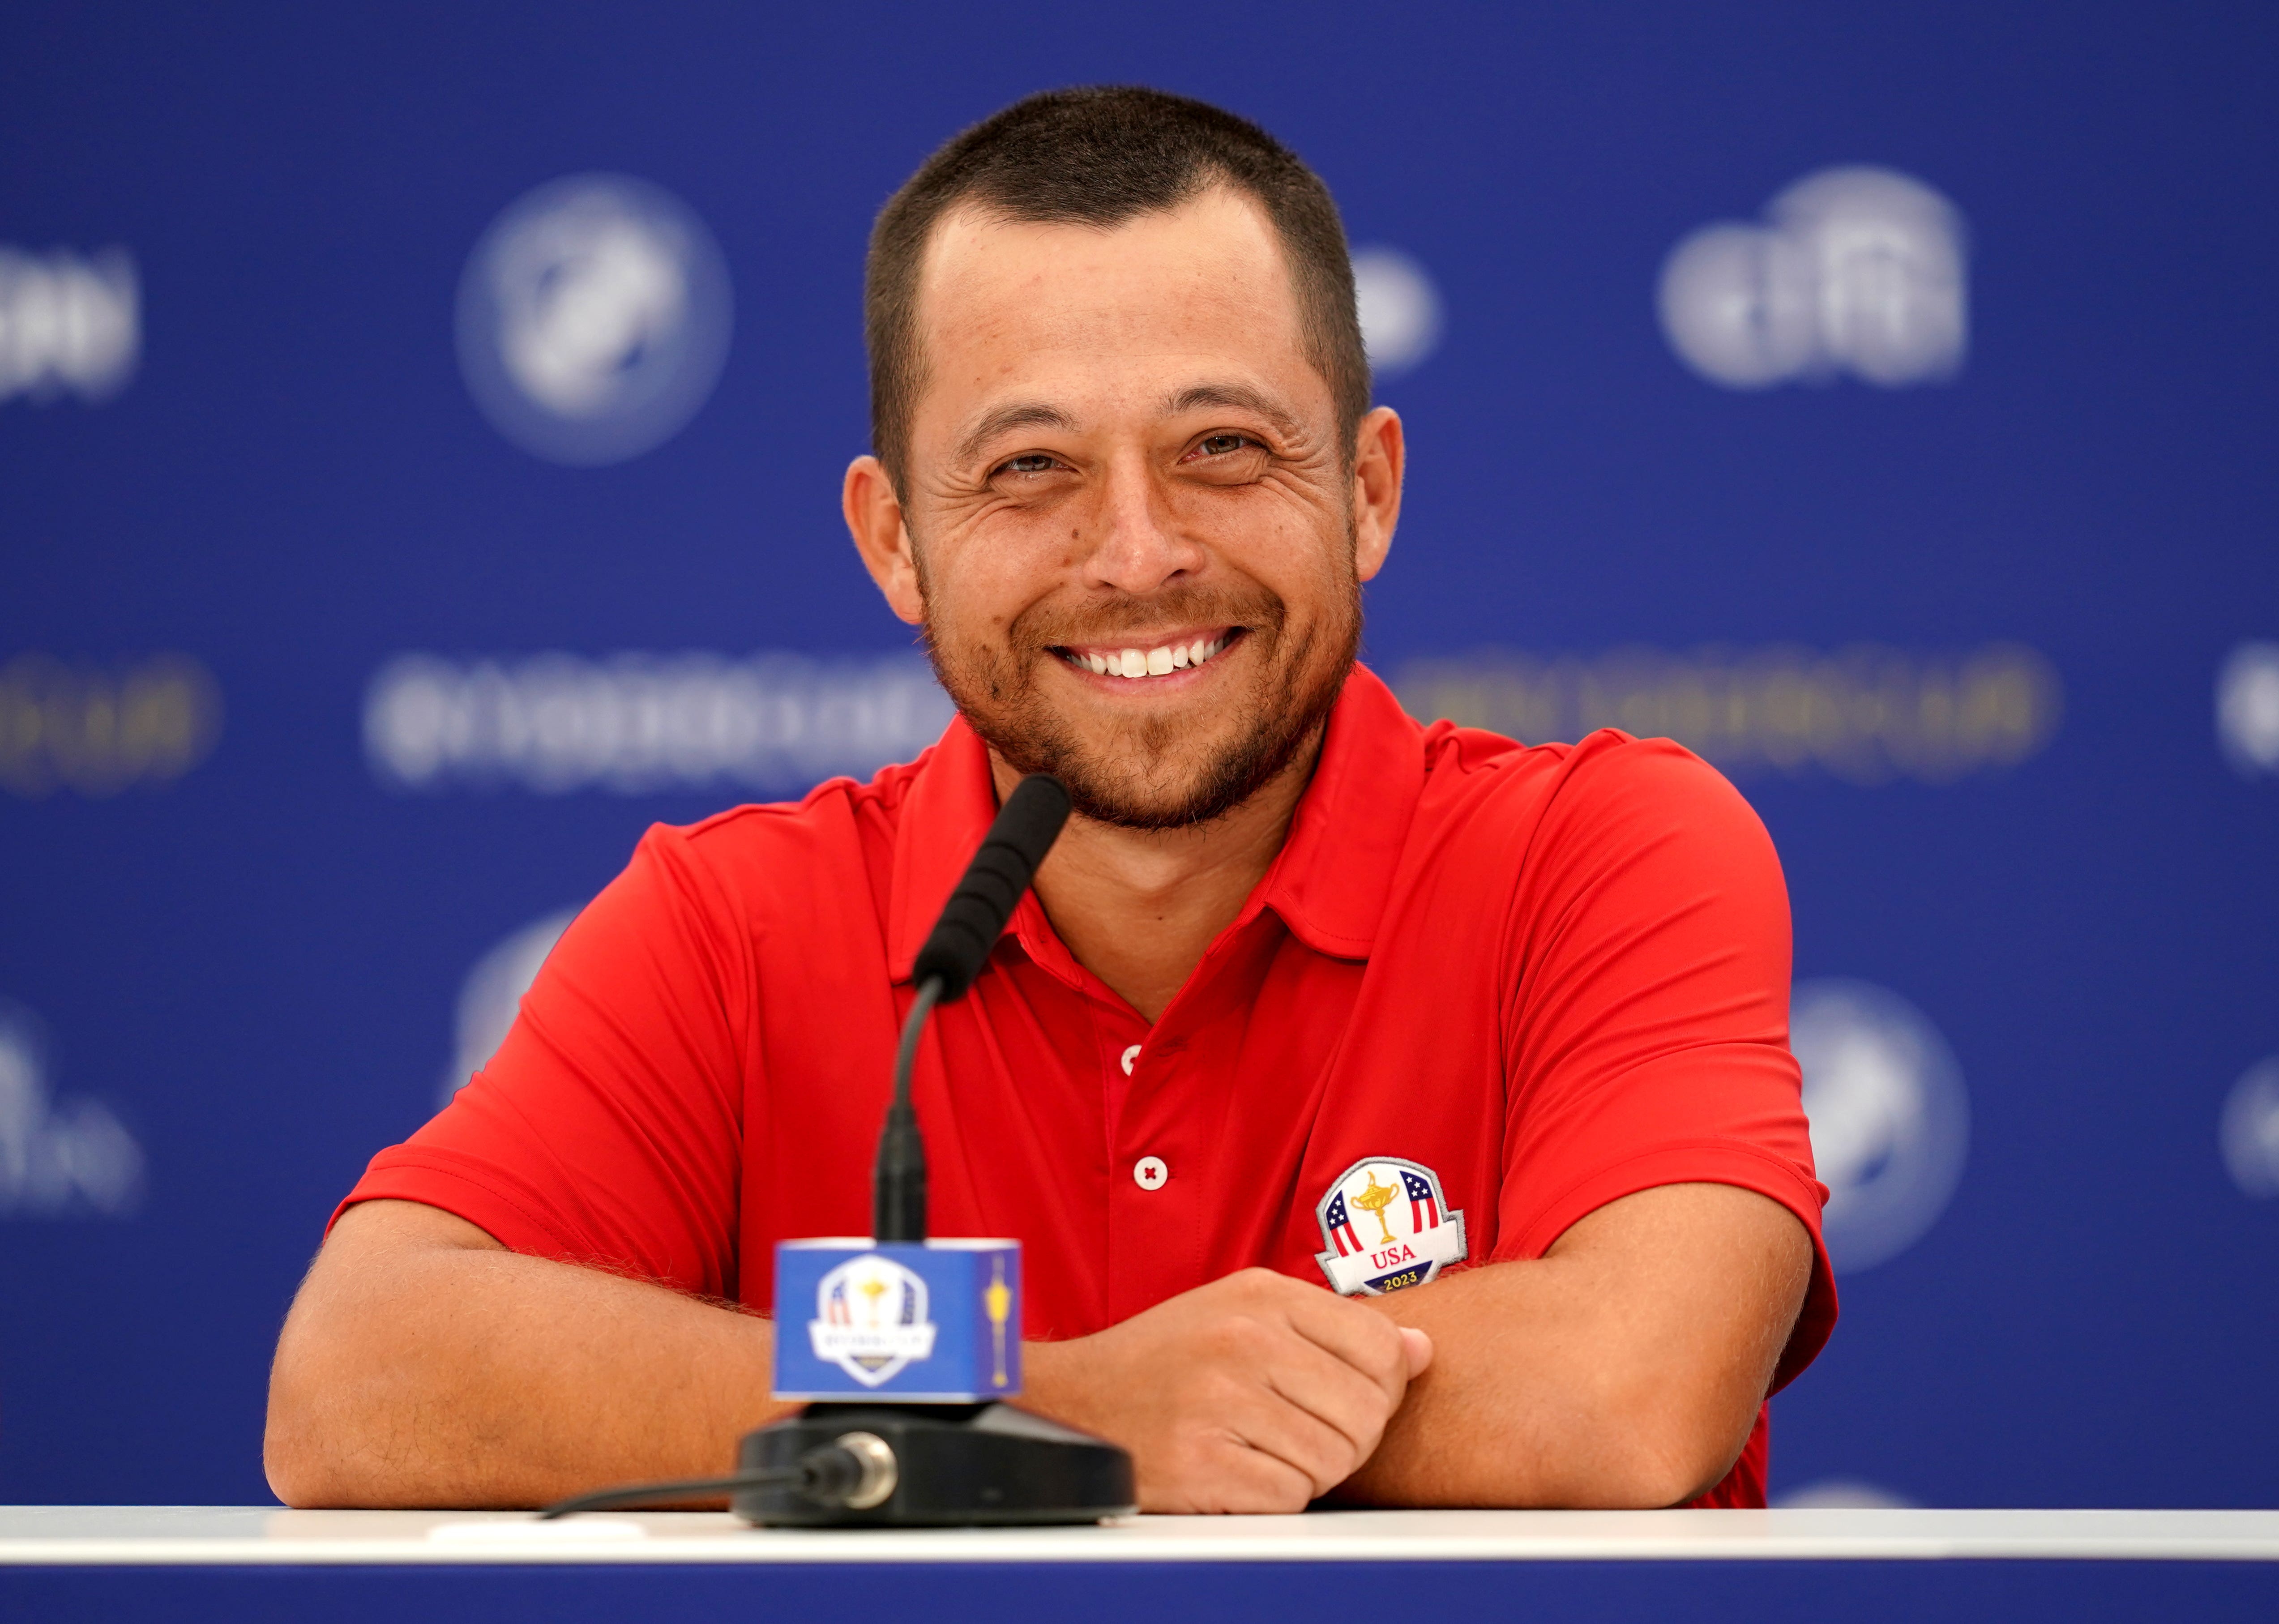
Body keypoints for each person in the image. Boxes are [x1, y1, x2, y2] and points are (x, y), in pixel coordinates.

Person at [264, 86, 1834, 1514]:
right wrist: (1066, 1401)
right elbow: (360, 1381)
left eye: (1221, 447)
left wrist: (902, 1410)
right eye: (1029, 469)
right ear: (893, 540)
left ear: (1366, 492)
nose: (1137, 551)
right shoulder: (731, 922)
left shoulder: (1601, 848)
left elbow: (1622, 1398)